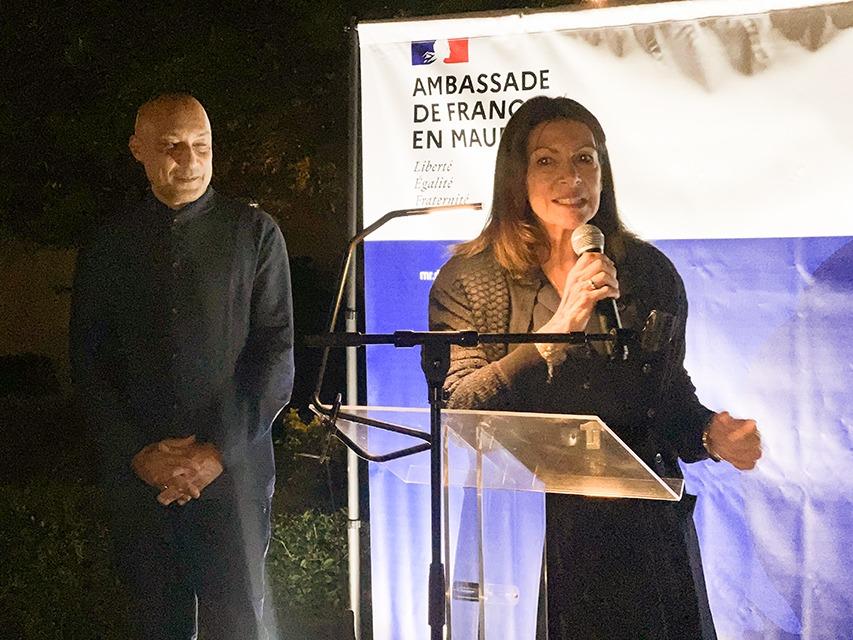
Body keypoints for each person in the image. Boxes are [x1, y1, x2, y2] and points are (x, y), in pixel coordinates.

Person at [428, 96, 761, 640]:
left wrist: (709, 433)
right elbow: (461, 408)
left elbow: (666, 398)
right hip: (524, 533)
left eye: (585, 159)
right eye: (547, 161)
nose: (571, 178)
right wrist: (559, 327)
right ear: (516, 176)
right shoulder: (471, 278)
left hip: (642, 535)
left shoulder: (649, 273)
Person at [70, 93, 294, 640]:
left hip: (232, 473)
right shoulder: (107, 243)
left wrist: (214, 451)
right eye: (172, 146)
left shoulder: (254, 234)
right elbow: (89, 363)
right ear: (138, 149)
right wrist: (138, 452)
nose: (190, 161)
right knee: (153, 621)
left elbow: (275, 353)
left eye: (202, 146)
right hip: (140, 475)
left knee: (239, 622)